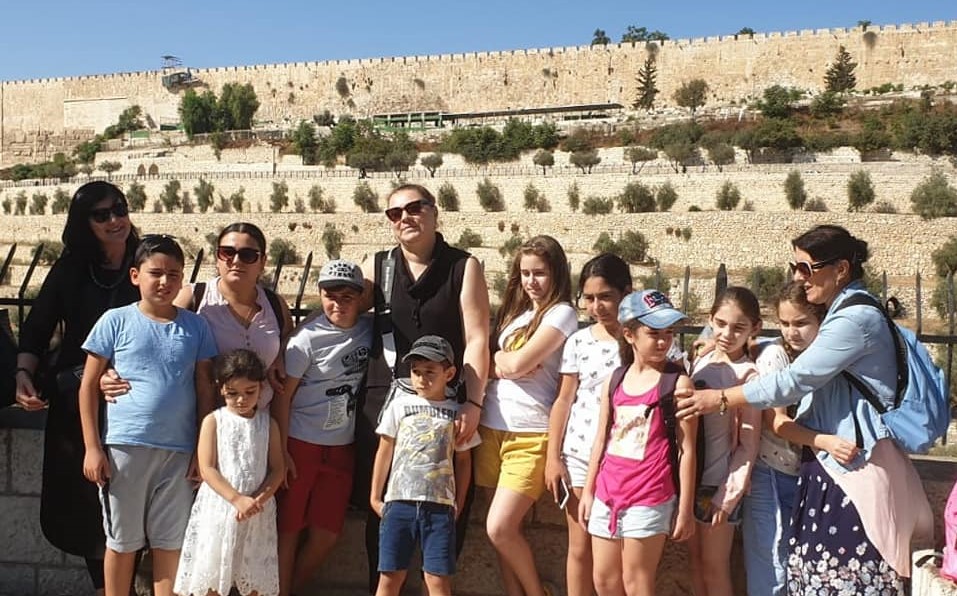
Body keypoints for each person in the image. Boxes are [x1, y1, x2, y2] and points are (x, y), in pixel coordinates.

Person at [676, 224, 933, 594]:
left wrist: (720, 398)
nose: (798, 276)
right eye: (794, 266)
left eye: (806, 268)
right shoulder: (843, 312)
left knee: (843, 578)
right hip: (833, 467)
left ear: (841, 269)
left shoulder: (854, 320)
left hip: (854, 468)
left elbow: (793, 381)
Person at [358, 184, 490, 591]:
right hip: (389, 406)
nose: (405, 218)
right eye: (394, 213)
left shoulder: (463, 267)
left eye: (414, 208)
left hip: (446, 406)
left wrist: (473, 403)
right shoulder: (377, 265)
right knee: (381, 523)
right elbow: (338, 309)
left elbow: (478, 337)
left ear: (434, 212)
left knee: (446, 518)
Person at [13, 181, 140, 595]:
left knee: (134, 505)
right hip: (76, 401)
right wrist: (23, 374)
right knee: (88, 510)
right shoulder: (70, 271)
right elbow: (37, 328)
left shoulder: (144, 263)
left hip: (135, 401)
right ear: (85, 223)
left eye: (119, 209)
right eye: (102, 215)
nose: (115, 220)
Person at [78, 235, 218, 596]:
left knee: (170, 543)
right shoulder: (115, 320)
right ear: (135, 275)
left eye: (174, 274)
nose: (165, 281)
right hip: (126, 448)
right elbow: (88, 385)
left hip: (179, 452)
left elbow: (205, 388)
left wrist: (201, 451)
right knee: (122, 542)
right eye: (156, 273)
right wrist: (92, 448)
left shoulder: (197, 327)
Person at [476, 235, 578, 596]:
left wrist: (505, 363)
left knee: (499, 527)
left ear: (557, 274)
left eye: (540, 273)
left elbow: (517, 364)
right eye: (525, 273)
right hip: (492, 427)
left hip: (530, 433)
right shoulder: (518, 316)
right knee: (503, 535)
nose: (531, 281)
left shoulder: (562, 313)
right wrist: (505, 363)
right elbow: (498, 365)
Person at [578, 290, 697, 596]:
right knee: (604, 581)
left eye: (668, 333)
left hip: (650, 495)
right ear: (629, 334)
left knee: (637, 582)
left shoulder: (677, 383)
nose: (663, 341)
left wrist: (685, 508)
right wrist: (589, 490)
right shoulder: (615, 380)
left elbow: (687, 450)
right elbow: (602, 438)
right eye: (653, 333)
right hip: (608, 492)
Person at [742, 281, 857, 596]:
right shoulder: (776, 355)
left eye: (801, 323)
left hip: (803, 473)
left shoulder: (820, 358)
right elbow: (777, 422)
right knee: (773, 563)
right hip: (774, 470)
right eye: (785, 323)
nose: (791, 332)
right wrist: (825, 441)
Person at [274, 260, 373, 595]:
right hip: (301, 442)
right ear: (320, 295)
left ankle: (292, 588)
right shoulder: (304, 341)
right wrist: (281, 452)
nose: (338, 304)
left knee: (327, 534)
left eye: (347, 296)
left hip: (341, 445)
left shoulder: (368, 328)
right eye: (330, 296)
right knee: (288, 530)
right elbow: (283, 398)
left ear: (360, 298)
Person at [544, 253, 632, 596]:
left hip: (624, 458)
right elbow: (564, 399)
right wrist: (553, 457)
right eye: (590, 298)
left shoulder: (639, 340)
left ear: (626, 293)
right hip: (580, 454)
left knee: (618, 554)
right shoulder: (579, 342)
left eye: (605, 297)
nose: (597, 307)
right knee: (579, 546)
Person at [370, 335, 481, 596]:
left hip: (439, 506)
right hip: (399, 502)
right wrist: (375, 497)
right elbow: (384, 451)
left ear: (449, 374)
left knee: (437, 579)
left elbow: (464, 461)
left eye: (430, 372)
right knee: (390, 576)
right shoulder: (399, 406)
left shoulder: (458, 413)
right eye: (416, 371)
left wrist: (458, 502)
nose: (421, 379)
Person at [175, 349, 284, 596]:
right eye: (233, 393)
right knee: (213, 576)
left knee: (254, 577)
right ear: (221, 388)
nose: (241, 400)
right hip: (220, 508)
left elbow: (278, 468)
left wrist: (257, 500)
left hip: (256, 511)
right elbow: (207, 467)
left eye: (249, 392)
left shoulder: (268, 424)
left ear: (261, 388)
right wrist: (236, 499)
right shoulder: (214, 421)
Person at [688, 287, 761, 596]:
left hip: (719, 483)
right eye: (720, 324)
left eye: (738, 328)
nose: (727, 334)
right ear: (710, 320)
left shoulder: (748, 376)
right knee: (695, 564)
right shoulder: (700, 361)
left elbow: (748, 443)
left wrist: (727, 496)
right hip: (690, 479)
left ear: (754, 328)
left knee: (714, 567)